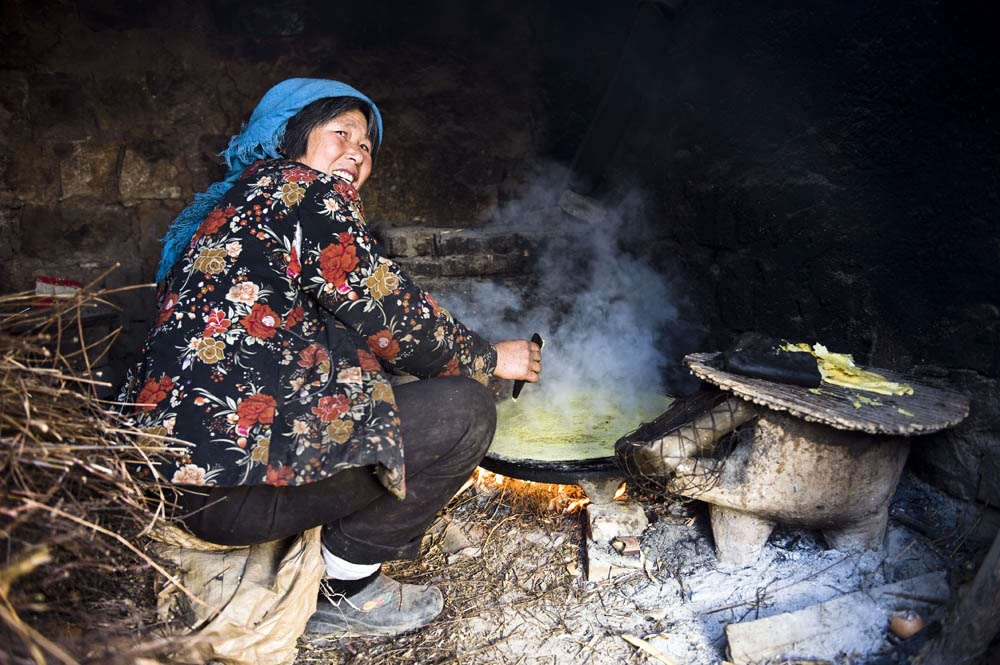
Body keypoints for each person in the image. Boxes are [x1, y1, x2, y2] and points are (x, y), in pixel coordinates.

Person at [120, 78, 542, 636]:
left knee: (388, 387)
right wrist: (490, 359)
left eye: (366, 145)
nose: (356, 152)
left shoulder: (239, 205)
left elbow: (348, 330)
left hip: (171, 485)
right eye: (339, 132)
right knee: (465, 412)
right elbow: (388, 312)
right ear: (291, 136)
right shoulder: (303, 191)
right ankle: (343, 590)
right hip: (229, 494)